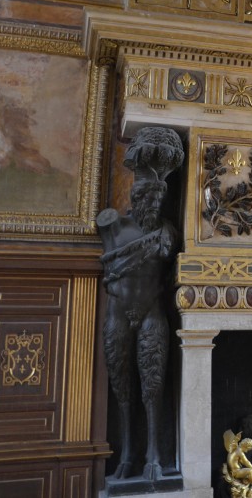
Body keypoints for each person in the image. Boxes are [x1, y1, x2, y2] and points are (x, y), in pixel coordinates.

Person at [97, 126, 184, 482]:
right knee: (122, 388)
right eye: (147, 194)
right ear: (136, 193)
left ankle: (154, 456)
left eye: (158, 196)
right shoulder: (113, 227)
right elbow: (109, 269)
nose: (154, 202)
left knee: (153, 386)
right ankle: (127, 455)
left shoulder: (168, 232)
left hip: (152, 312)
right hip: (118, 314)